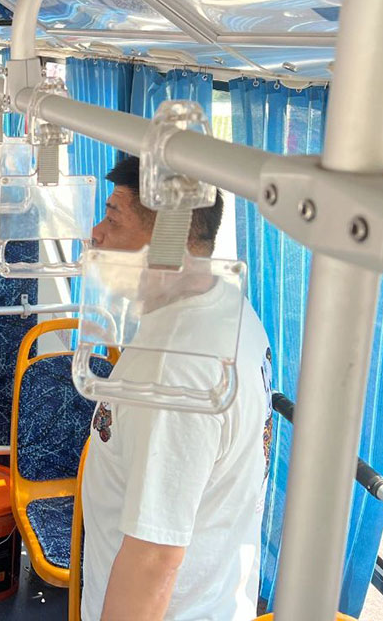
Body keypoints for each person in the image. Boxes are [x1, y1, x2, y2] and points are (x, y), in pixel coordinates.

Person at [80, 156, 273, 621]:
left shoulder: (173, 372)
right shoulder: (226, 308)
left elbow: (153, 560)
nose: (96, 234)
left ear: (169, 239)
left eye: (113, 218)